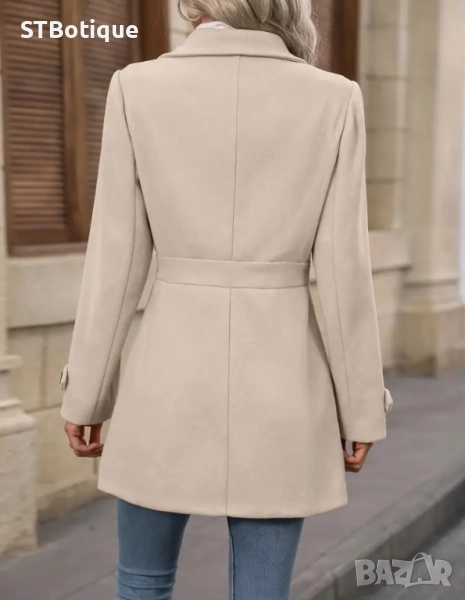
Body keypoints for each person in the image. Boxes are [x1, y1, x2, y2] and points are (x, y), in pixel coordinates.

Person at [60, 1, 394, 598]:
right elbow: (345, 271)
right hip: (283, 384)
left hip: (166, 380)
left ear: (192, 5)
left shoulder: (137, 87)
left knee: (142, 582)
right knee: (263, 592)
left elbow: (116, 260)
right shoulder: (334, 98)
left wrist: (87, 391)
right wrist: (361, 405)